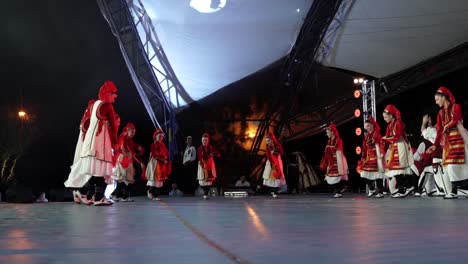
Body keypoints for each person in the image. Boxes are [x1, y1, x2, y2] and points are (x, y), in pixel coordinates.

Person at [65, 81, 118, 206]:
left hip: (90, 141)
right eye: (113, 93)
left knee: (94, 170)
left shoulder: (94, 105)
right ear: (108, 93)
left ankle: (83, 191)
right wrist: (115, 143)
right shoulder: (108, 106)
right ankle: (97, 197)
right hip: (100, 141)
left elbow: (85, 123)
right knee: (100, 169)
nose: (116, 96)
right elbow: (114, 127)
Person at [427, 87, 468, 199]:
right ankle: (454, 190)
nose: (436, 102)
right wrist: (435, 145)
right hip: (449, 143)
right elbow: (440, 130)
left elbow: (456, 118)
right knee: (450, 166)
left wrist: (446, 126)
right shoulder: (440, 113)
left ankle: (457, 190)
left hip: (459, 139)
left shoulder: (456, 107)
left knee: (462, 166)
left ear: (443, 97)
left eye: (437, 99)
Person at [381, 104, 414, 198]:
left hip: (401, 145)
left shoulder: (398, 123)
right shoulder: (389, 127)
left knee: (400, 168)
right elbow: (387, 142)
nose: (384, 119)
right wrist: (383, 152)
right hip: (394, 148)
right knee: (396, 169)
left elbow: (397, 137)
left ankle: (403, 188)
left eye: (385, 117)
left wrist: (385, 139)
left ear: (391, 115)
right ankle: (406, 186)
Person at [111, 122, 145, 202]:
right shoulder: (123, 135)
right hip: (123, 159)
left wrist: (138, 149)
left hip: (128, 160)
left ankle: (121, 196)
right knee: (123, 179)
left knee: (129, 180)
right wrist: (124, 151)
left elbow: (133, 151)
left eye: (134, 132)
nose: (133, 133)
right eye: (132, 131)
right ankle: (116, 195)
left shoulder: (130, 140)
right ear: (128, 130)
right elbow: (121, 146)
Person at [359, 117, 385, 198]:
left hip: (376, 156)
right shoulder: (366, 136)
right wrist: (363, 157)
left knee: (378, 175)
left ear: (373, 125)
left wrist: (381, 153)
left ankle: (380, 192)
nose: (367, 128)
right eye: (366, 126)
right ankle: (371, 188)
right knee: (363, 174)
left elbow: (381, 144)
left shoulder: (377, 134)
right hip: (369, 157)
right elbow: (364, 148)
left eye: (368, 126)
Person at [320, 124, 349, 198]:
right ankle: (340, 188)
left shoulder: (338, 139)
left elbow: (338, 149)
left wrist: (328, 148)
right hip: (331, 161)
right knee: (331, 177)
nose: (326, 134)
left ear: (332, 132)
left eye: (328, 132)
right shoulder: (329, 141)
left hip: (338, 160)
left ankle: (338, 191)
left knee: (337, 176)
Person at [145, 129, 170, 201]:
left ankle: (155, 195)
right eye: (159, 136)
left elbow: (166, 154)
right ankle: (150, 191)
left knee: (159, 180)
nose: (161, 138)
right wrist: (163, 160)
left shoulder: (163, 145)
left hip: (161, 163)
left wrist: (165, 159)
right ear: (155, 137)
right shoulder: (153, 145)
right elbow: (155, 155)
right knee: (154, 179)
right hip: (155, 163)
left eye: (162, 137)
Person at [262, 132, 286, 198]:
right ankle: (273, 191)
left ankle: (275, 191)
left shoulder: (277, 146)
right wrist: (272, 162)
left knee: (277, 176)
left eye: (268, 141)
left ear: (272, 140)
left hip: (278, 161)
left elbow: (282, 153)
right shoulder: (268, 148)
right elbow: (268, 157)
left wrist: (276, 151)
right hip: (272, 163)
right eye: (266, 141)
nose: (267, 142)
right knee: (271, 176)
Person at [197, 133, 220, 199]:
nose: (204, 141)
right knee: (202, 180)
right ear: (202, 140)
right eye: (203, 140)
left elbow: (218, 154)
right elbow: (199, 157)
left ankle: (206, 194)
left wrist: (213, 154)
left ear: (208, 141)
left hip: (209, 164)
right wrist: (202, 163)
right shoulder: (199, 148)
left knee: (209, 181)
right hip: (203, 164)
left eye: (206, 140)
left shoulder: (210, 147)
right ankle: (205, 192)